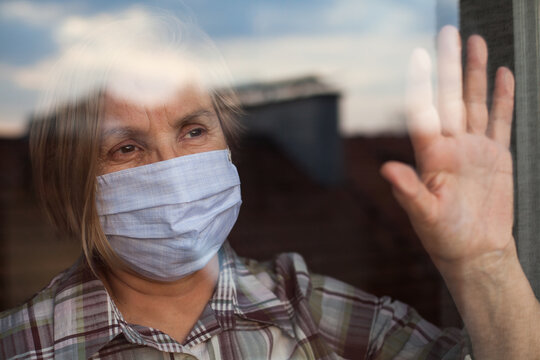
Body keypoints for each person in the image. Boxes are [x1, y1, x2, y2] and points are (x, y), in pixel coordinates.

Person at [1, 10, 539, 359]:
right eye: (126, 147)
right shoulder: (24, 344)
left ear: (227, 141)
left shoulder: (309, 311)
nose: (169, 166)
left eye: (192, 130)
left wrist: (484, 264)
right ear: (75, 183)